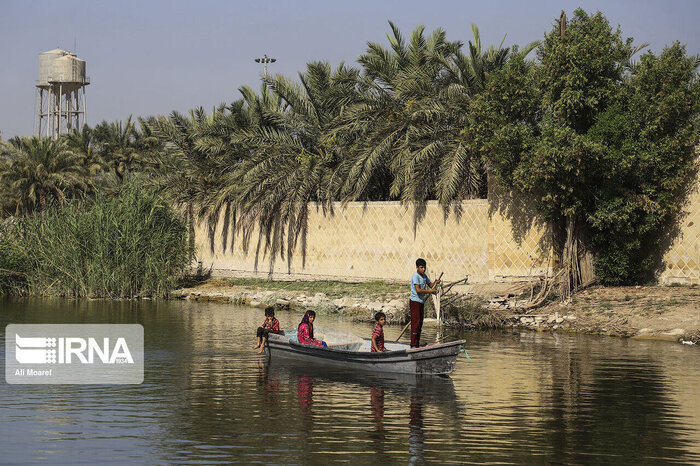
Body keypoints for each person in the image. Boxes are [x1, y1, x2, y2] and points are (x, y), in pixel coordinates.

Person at [409, 258, 440, 348]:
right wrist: (431, 292)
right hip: (415, 302)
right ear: (417, 267)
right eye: (421, 267)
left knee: (420, 323)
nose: (423, 269)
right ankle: (413, 345)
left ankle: (416, 344)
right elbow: (418, 290)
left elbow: (430, 285)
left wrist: (435, 282)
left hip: (421, 302)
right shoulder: (416, 276)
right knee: (416, 323)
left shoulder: (424, 276)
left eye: (424, 267)